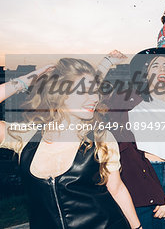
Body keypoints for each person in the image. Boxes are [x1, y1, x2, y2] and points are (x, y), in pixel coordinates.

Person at [0, 58, 141, 229]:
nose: (95, 98)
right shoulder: (26, 136)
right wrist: (26, 80)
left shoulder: (100, 137)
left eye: (95, 91)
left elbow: (117, 189)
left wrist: (137, 227)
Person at [102, 48, 165, 229]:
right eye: (155, 66)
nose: (162, 70)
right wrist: (106, 63)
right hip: (136, 178)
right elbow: (90, 95)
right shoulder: (124, 99)